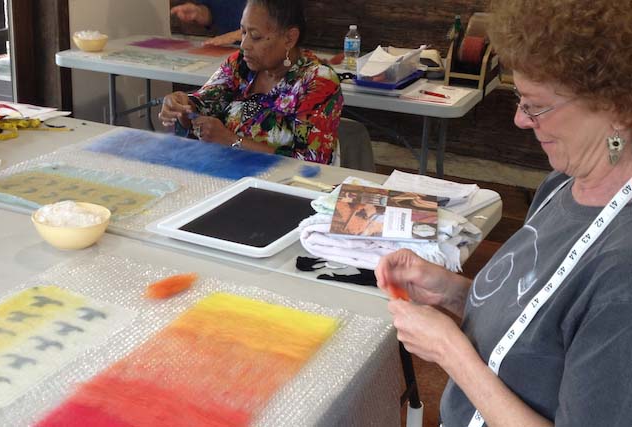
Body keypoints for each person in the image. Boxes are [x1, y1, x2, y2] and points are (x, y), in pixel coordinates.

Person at [374, 1, 632, 426]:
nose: (519, 119)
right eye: (519, 98)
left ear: (618, 105)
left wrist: (450, 351)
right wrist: (454, 293)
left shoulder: (622, 274)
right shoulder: (564, 184)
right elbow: (543, 331)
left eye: (536, 105)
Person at [160, 0, 343, 165]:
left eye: (255, 36)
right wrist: (181, 107)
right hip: (224, 175)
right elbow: (203, 104)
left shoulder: (318, 81)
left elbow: (314, 163)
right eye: (243, 32)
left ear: (289, 38)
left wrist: (230, 140)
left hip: (281, 190)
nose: (244, 44)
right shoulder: (239, 64)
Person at [170, 1, 245, 46]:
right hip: (226, 50)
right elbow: (214, 11)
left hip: (251, 52)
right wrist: (199, 12)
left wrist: (238, 34)